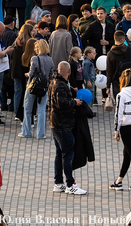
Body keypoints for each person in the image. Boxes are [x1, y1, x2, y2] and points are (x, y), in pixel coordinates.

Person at [48, 61, 87, 195]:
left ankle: (59, 183)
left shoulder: (53, 82)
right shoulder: (61, 85)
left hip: (55, 123)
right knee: (67, 155)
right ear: (69, 71)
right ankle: (70, 184)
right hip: (63, 124)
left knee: (60, 154)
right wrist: (74, 102)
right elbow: (62, 103)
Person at [21, 39, 54, 139]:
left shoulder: (34, 59)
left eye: (36, 47)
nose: (35, 49)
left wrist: (26, 74)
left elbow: (31, 73)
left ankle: (26, 132)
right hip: (43, 87)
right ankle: (41, 134)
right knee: (42, 110)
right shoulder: (50, 60)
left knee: (27, 109)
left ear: (40, 48)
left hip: (32, 86)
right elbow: (51, 76)